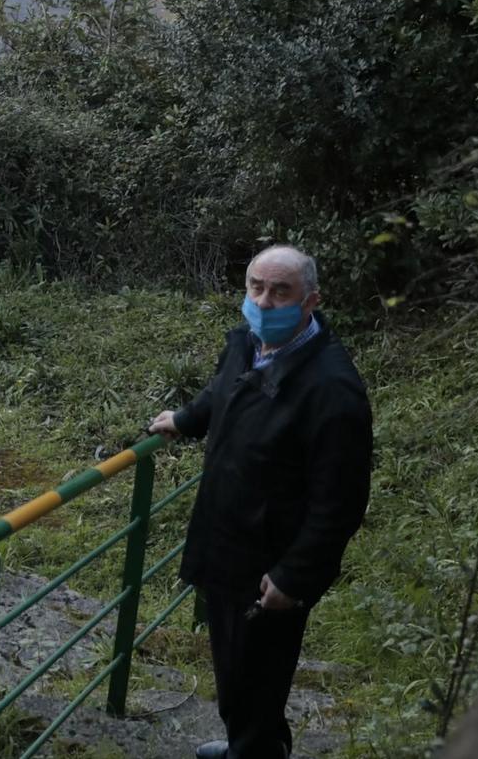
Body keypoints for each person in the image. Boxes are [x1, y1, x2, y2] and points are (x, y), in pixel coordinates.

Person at [148, 245, 373, 759]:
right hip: (227, 542)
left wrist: (294, 575)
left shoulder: (331, 389)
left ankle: (250, 749)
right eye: (256, 287)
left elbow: (340, 500)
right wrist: (185, 419)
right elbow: (221, 392)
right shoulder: (248, 346)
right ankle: (248, 746)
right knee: (235, 670)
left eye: (281, 291)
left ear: (310, 301)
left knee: (257, 676)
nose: (265, 302)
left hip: (269, 563)